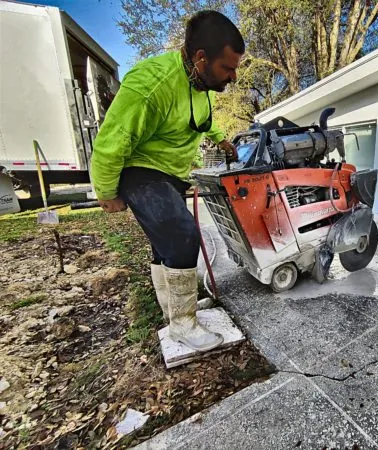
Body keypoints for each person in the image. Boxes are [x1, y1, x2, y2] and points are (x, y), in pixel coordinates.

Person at [90, 10, 244, 352]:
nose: (233, 76)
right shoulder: (150, 84)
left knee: (164, 247)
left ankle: (173, 312)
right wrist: (106, 192)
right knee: (183, 236)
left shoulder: (202, 84)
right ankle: (183, 324)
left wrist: (220, 138)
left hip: (172, 174)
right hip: (140, 170)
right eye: (228, 68)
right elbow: (110, 142)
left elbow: (199, 122)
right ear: (201, 58)